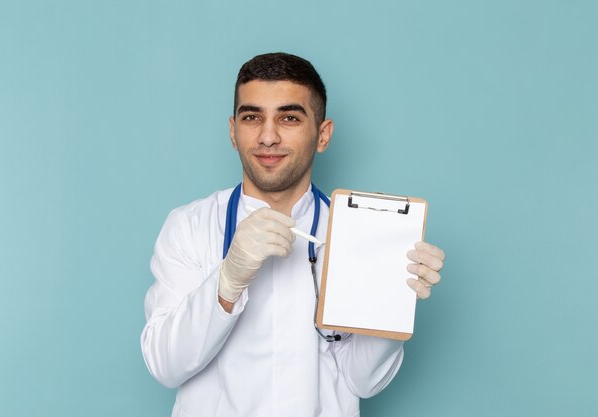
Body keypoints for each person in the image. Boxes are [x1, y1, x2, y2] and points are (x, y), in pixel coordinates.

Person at [140, 52, 445, 417]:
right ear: (233, 132)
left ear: (323, 134)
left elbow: (362, 381)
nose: (268, 137)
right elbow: (165, 364)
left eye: (289, 117)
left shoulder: (354, 234)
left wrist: (393, 304)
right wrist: (227, 281)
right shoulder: (189, 226)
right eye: (252, 117)